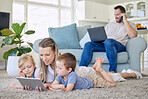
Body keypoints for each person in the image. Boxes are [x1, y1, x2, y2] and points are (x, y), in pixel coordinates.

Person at [79, 5, 138, 73]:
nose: (116, 16)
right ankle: (81, 69)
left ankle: (112, 70)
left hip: (119, 46)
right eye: (115, 14)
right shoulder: (110, 25)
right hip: (107, 44)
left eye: (118, 14)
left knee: (109, 41)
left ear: (123, 14)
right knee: (88, 44)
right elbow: (104, 37)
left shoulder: (130, 24)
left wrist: (125, 20)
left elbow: (133, 36)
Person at [48, 53, 142, 91]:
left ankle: (100, 69)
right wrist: (56, 86)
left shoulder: (72, 75)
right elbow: (53, 85)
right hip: (86, 76)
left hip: (93, 81)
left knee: (112, 84)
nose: (57, 70)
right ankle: (98, 69)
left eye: (59, 68)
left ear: (69, 70)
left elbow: (68, 89)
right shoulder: (60, 75)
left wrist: (59, 86)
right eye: (57, 68)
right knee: (112, 76)